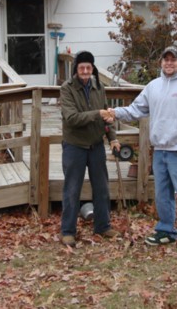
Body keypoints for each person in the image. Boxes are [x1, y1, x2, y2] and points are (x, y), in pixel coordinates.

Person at [107, 46, 177, 255]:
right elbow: (136, 109)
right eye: (166, 60)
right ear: (161, 63)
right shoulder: (153, 86)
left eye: (174, 60)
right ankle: (166, 230)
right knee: (162, 194)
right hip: (160, 150)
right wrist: (115, 112)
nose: (169, 63)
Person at [60, 50, 121, 247]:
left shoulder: (99, 87)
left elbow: (107, 118)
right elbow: (72, 118)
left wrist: (113, 138)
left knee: (102, 188)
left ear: (92, 68)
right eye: (81, 67)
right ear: (76, 70)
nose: (85, 71)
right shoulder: (67, 89)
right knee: (72, 189)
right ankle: (68, 231)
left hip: (96, 146)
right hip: (74, 146)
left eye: (88, 67)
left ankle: (103, 226)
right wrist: (98, 113)